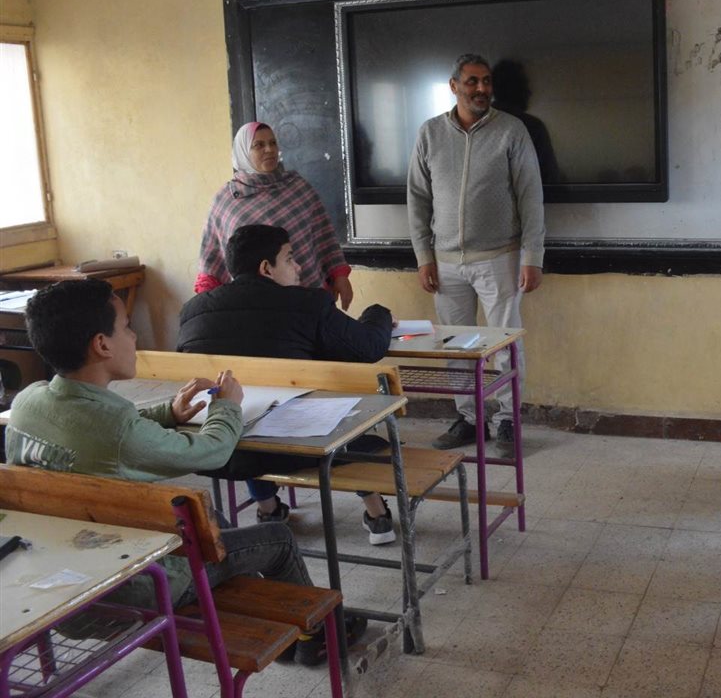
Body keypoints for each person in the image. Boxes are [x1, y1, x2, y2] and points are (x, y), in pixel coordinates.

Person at [4, 279, 359, 664]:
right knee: (277, 538)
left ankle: (270, 619)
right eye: (126, 326)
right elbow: (211, 452)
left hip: (64, 585)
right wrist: (228, 407)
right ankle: (316, 636)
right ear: (102, 345)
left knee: (214, 522)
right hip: (137, 587)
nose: (134, 336)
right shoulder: (117, 430)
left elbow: (109, 429)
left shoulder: (28, 402)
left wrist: (168, 413)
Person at [178, 223, 398, 544]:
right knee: (346, 423)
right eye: (290, 258)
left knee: (251, 413)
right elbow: (368, 347)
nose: (298, 267)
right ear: (266, 268)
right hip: (304, 448)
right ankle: (378, 514)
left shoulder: (193, 310)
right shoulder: (307, 304)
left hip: (221, 448)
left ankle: (269, 509)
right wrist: (378, 313)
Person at [407, 53, 545, 457]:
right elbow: (417, 198)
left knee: (504, 344)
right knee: (456, 347)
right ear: (454, 86)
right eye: (472, 81)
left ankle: (507, 422)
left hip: (500, 257)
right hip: (445, 262)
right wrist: (423, 256)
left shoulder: (511, 130)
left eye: (486, 81)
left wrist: (533, 255)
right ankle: (470, 418)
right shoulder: (430, 133)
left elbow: (531, 196)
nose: (481, 88)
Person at [195, 121, 354, 311]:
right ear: (243, 152)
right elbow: (212, 257)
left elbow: (324, 235)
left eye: (273, 143)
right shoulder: (226, 201)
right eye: (259, 145)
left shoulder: (298, 187)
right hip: (255, 310)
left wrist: (339, 276)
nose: (269, 150)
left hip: (310, 299)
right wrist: (208, 310)